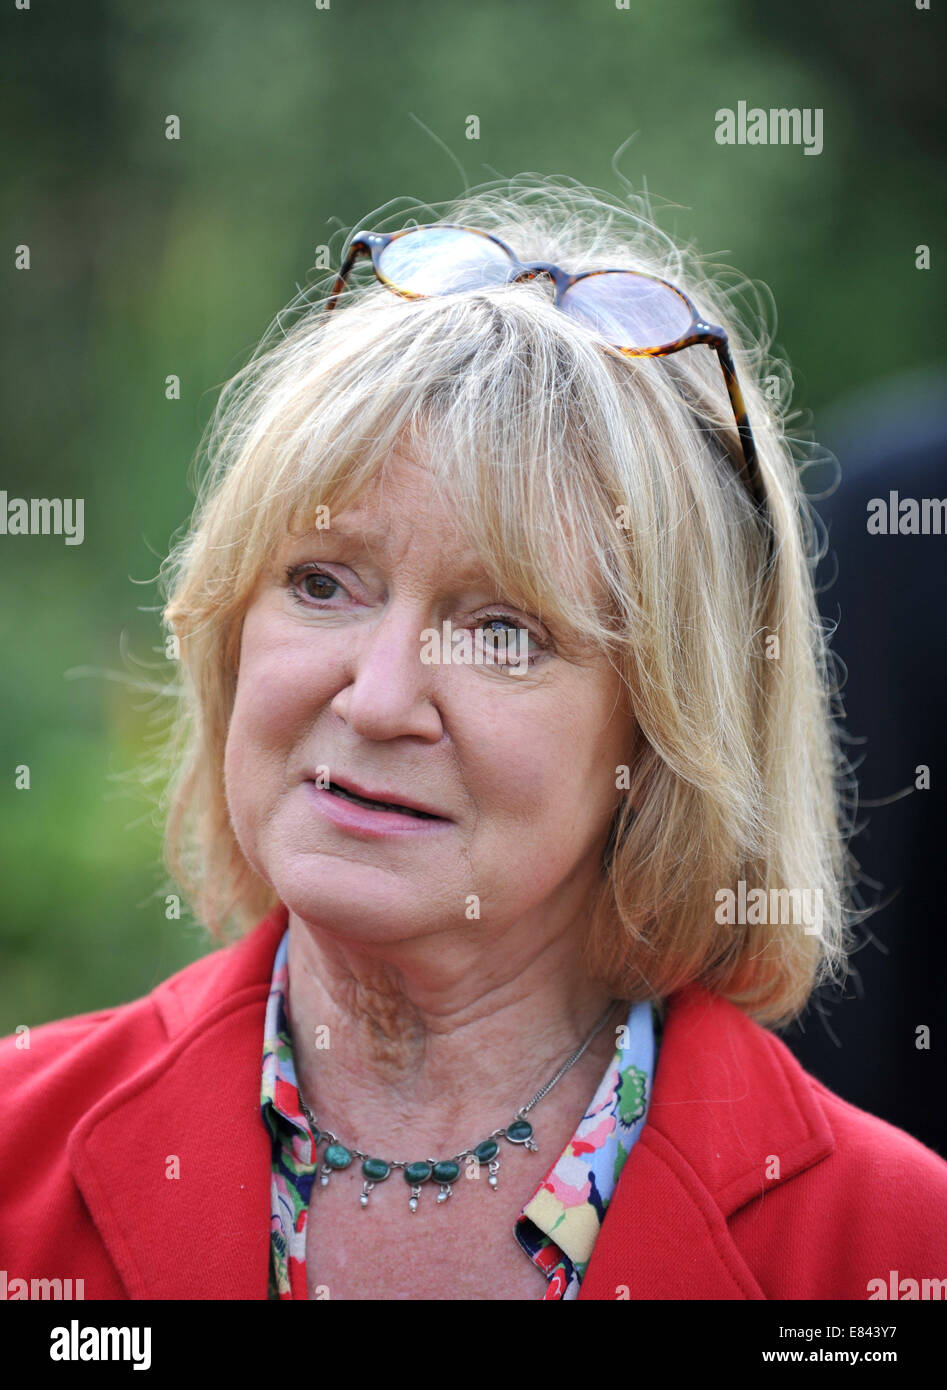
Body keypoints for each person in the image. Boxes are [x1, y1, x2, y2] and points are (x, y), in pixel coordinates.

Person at [1, 177, 945, 1302]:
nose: (378, 696)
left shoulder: (886, 1251)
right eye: (321, 581)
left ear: (659, 734)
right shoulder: (18, 1153)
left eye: (502, 630)